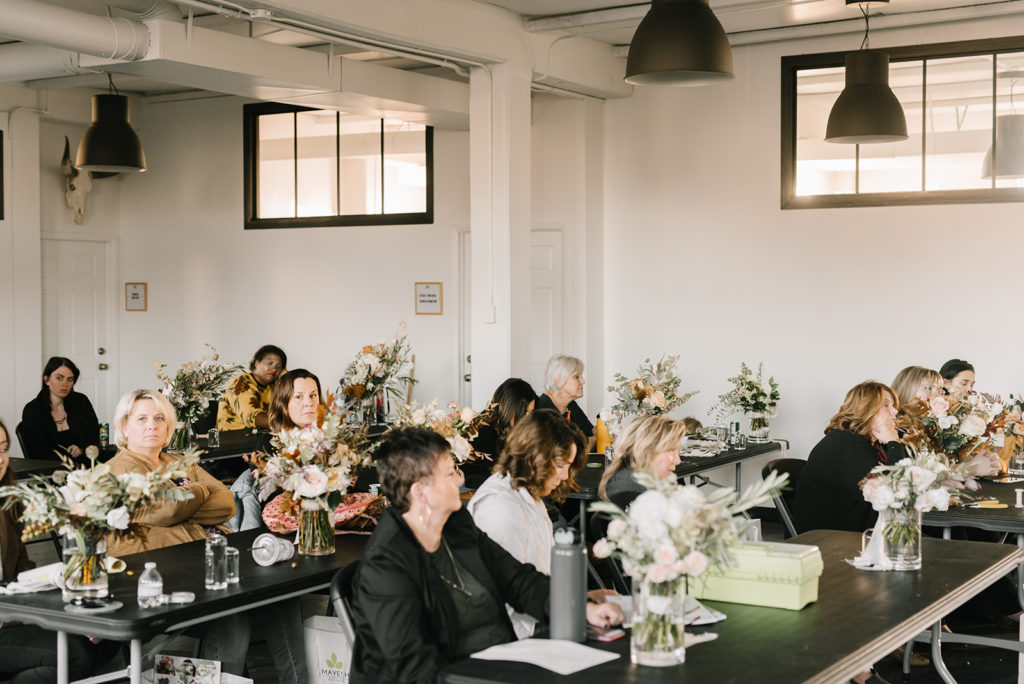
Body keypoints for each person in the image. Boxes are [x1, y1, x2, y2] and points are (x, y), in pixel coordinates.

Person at [350, 427, 622, 683]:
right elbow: (415, 669)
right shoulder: (384, 566)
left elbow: (519, 581)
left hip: (500, 665)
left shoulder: (457, 523)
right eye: (449, 473)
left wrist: (581, 608)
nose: (460, 479)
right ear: (420, 492)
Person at [105, 390, 306, 682]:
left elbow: (224, 503)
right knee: (232, 619)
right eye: (142, 419)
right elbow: (166, 510)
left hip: (213, 564)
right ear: (124, 427)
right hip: (164, 577)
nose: (152, 425)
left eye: (159, 418)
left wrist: (183, 504)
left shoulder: (179, 460)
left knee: (284, 596)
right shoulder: (118, 470)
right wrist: (198, 492)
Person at [0, 419, 109, 684]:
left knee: (102, 640)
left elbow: (21, 571)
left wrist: (65, 610)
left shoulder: (7, 500)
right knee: (74, 655)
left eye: (3, 448)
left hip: (10, 612)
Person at [466, 410, 589, 638]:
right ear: (535, 457)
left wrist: (582, 600)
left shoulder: (528, 495)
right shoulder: (500, 508)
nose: (564, 476)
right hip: (516, 634)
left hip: (539, 618)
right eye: (561, 465)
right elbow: (513, 592)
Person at [792, 381, 909, 535]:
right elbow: (890, 494)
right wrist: (894, 443)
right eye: (886, 405)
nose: (895, 411)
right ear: (865, 409)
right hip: (831, 539)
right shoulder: (850, 447)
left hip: (854, 528)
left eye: (894, 405)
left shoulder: (857, 440)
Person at [598, 414, 690, 510]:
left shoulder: (632, 480)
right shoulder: (632, 492)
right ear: (645, 450)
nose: (677, 460)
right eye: (671, 451)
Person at [20, 357, 99, 462]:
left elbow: (93, 437)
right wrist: (67, 458)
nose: (65, 384)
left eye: (70, 379)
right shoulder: (33, 410)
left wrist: (81, 450)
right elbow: (37, 452)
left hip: (84, 465)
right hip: (49, 470)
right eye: (59, 378)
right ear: (47, 380)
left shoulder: (81, 401)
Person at [464, 378, 537, 489]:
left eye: (530, 412)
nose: (528, 418)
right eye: (524, 412)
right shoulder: (483, 432)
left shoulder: (515, 428)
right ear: (510, 408)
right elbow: (473, 477)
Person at [216, 344, 286, 430]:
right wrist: (287, 425)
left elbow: (286, 412)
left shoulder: (271, 387)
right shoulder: (241, 382)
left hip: (258, 438)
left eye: (278, 367)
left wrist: (286, 380)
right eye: (269, 363)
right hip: (232, 439)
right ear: (256, 363)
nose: (274, 369)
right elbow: (252, 417)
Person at [535, 354, 595, 452]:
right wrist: (595, 439)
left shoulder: (570, 405)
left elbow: (590, 432)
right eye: (576, 377)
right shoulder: (541, 409)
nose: (583, 381)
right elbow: (569, 451)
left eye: (581, 376)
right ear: (559, 382)